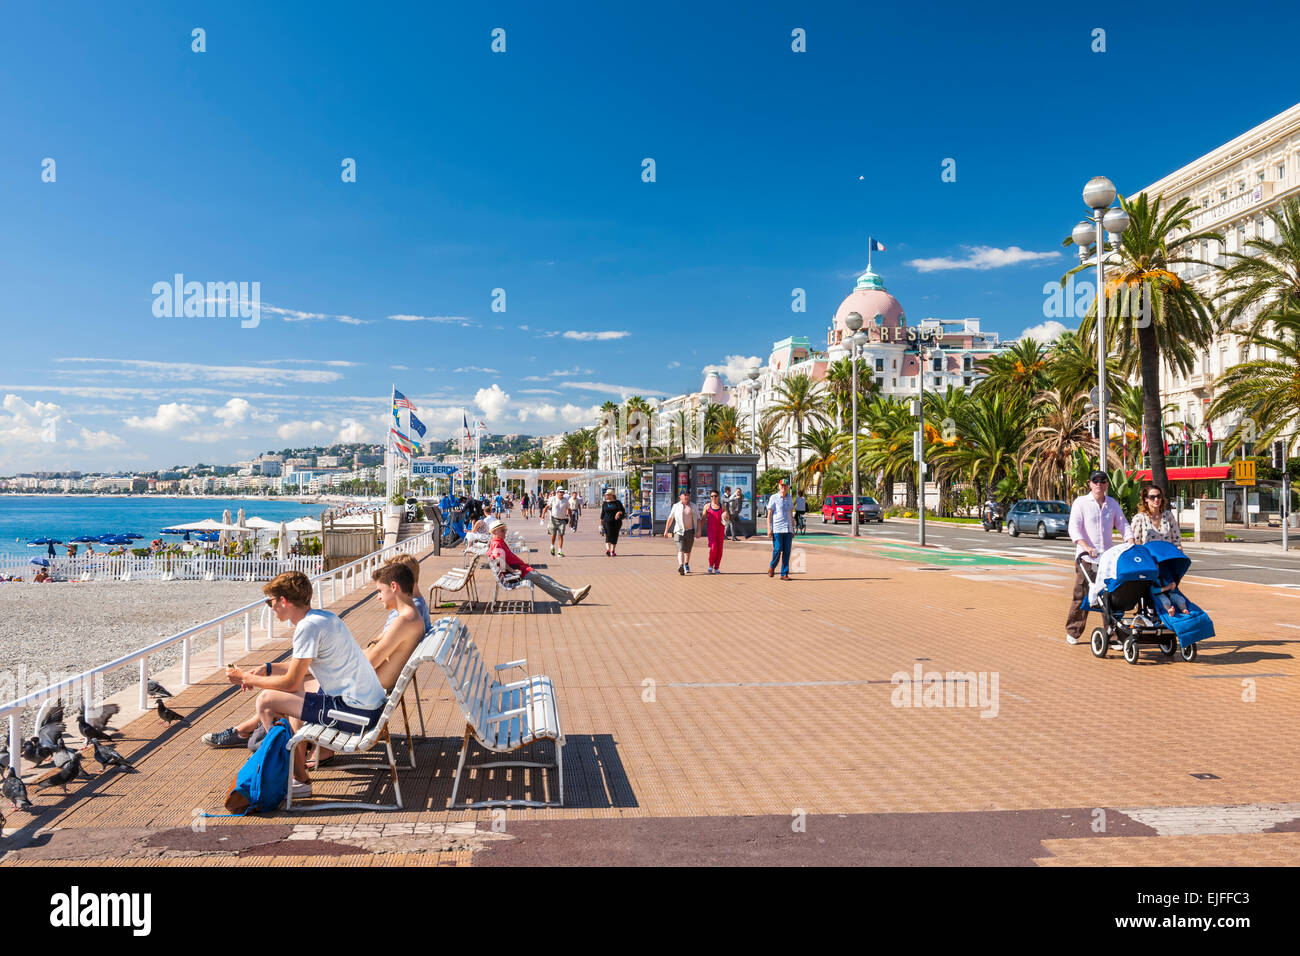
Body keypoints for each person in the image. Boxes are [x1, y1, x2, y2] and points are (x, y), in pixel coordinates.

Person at [209, 571, 388, 799]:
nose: (271, 608)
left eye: (270, 602)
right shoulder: (325, 618)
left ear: (283, 601)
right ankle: (296, 768)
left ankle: (293, 775)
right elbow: (304, 669)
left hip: (357, 715)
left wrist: (245, 678)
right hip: (366, 706)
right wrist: (268, 668)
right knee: (296, 692)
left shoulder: (307, 628)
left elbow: (291, 681)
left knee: (266, 701)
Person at [1065, 471, 1133, 644]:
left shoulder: (1112, 504)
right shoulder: (1081, 503)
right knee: (1082, 594)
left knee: (1110, 597)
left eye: (1103, 481)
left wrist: (1130, 541)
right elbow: (1074, 528)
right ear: (1090, 483)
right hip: (1087, 558)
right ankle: (1073, 631)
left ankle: (1113, 635)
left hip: (1107, 560)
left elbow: (1123, 524)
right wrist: (1086, 546)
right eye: (1095, 481)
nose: (1099, 484)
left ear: (1107, 485)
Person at [487, 518, 590, 605]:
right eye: (502, 530)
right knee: (545, 581)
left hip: (519, 570)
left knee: (546, 579)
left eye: (505, 529)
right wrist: (513, 571)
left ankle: (572, 594)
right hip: (516, 573)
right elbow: (498, 559)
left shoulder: (497, 542)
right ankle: (572, 594)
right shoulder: (497, 544)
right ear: (494, 532)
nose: (505, 532)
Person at [663, 490, 698, 575]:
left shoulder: (693, 506)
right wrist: (666, 530)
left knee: (688, 551)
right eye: (684, 495)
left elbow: (698, 519)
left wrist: (698, 530)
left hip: (690, 531)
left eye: (687, 495)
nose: (686, 496)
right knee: (681, 549)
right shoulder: (676, 506)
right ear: (680, 497)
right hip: (679, 531)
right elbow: (670, 518)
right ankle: (681, 566)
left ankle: (686, 564)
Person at [766, 478, 795, 580]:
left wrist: (793, 528)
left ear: (788, 487)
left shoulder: (790, 498)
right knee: (778, 549)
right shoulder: (774, 498)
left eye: (785, 486)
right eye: (782, 485)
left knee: (787, 551)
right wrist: (769, 528)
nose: (783, 487)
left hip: (788, 529)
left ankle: (784, 573)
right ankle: (772, 566)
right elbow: (769, 515)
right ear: (779, 486)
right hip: (777, 528)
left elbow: (791, 514)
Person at [702, 490, 728, 573]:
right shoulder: (707, 506)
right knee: (713, 547)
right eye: (712, 496)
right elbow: (703, 519)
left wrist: (726, 515)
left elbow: (727, 518)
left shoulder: (722, 506)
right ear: (710, 497)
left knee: (719, 549)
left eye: (715, 496)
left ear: (718, 496)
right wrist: (698, 530)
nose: (713, 497)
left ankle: (717, 567)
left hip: (720, 530)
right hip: (711, 531)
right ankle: (710, 565)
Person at [542, 488, 571, 556]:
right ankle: (552, 546)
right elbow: (546, 507)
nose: (562, 493)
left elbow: (569, 510)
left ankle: (560, 551)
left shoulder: (566, 501)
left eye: (562, 492)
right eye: (560, 492)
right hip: (553, 520)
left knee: (561, 535)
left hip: (562, 520)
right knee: (553, 535)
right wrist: (543, 515)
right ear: (557, 492)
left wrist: (571, 519)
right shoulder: (553, 499)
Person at [600, 489, 626, 556]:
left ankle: (612, 550)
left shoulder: (617, 502)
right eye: (606, 495)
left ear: (612, 495)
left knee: (615, 535)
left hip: (616, 522)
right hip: (606, 521)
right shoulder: (604, 503)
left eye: (608, 494)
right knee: (608, 534)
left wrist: (619, 512)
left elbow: (623, 511)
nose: (606, 496)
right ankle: (608, 549)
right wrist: (600, 524)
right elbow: (602, 514)